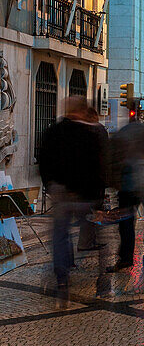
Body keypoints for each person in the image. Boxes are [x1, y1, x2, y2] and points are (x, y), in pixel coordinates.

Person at [39, 97, 108, 302]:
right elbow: (100, 165)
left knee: (60, 235)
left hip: (60, 192)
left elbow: (43, 161)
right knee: (95, 232)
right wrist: (99, 194)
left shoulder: (53, 132)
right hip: (85, 194)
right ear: (81, 111)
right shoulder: (90, 134)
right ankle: (101, 278)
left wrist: (50, 185)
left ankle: (62, 277)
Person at [106, 103, 144, 272]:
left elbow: (112, 159)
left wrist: (114, 182)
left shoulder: (122, 133)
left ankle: (126, 257)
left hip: (128, 185)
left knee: (126, 223)